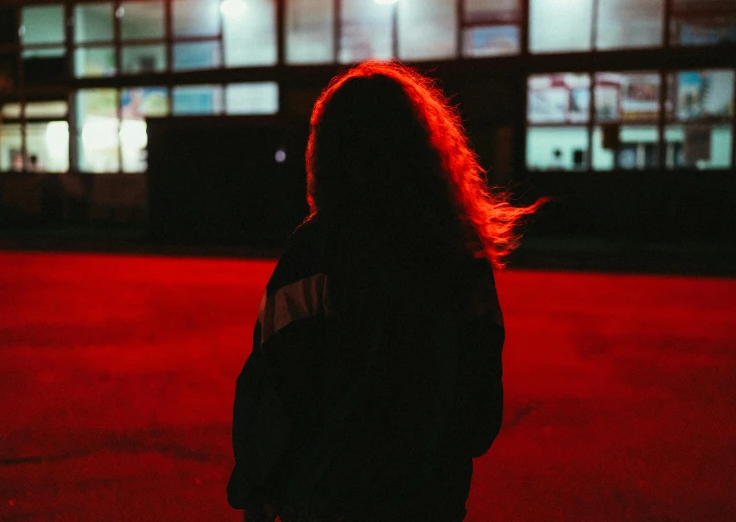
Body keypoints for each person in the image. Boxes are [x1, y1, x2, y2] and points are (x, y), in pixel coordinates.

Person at [227, 61, 541, 521]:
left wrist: (258, 493)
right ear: (424, 148)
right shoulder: (459, 259)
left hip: (324, 505)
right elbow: (479, 417)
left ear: (329, 153)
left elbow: (274, 395)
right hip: (431, 503)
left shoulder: (314, 253)